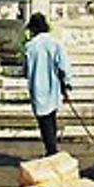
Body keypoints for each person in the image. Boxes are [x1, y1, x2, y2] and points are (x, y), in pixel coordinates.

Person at [23, 12, 72, 155]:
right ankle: (52, 148)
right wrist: (66, 84)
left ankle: (51, 150)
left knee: (43, 121)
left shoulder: (30, 46)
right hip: (53, 86)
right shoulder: (56, 43)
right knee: (51, 118)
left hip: (38, 87)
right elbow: (64, 66)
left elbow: (25, 69)